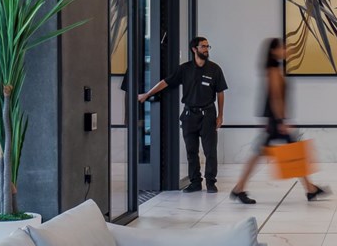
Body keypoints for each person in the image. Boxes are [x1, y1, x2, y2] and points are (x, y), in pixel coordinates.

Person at [230, 38, 326, 204]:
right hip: (276, 120)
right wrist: (282, 121)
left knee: (266, 153)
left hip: (274, 120)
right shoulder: (273, 70)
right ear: (274, 51)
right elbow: (275, 97)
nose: (286, 50)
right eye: (283, 48)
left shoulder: (274, 69)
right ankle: (309, 189)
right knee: (290, 153)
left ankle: (310, 189)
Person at [139, 36, 227, 193]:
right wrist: (147, 94)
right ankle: (195, 182)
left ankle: (211, 182)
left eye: (208, 46)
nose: (206, 49)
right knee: (191, 151)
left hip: (208, 115)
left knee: (210, 151)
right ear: (194, 49)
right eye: (203, 46)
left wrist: (220, 115)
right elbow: (166, 82)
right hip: (189, 116)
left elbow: (220, 93)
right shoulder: (184, 69)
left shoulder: (215, 69)